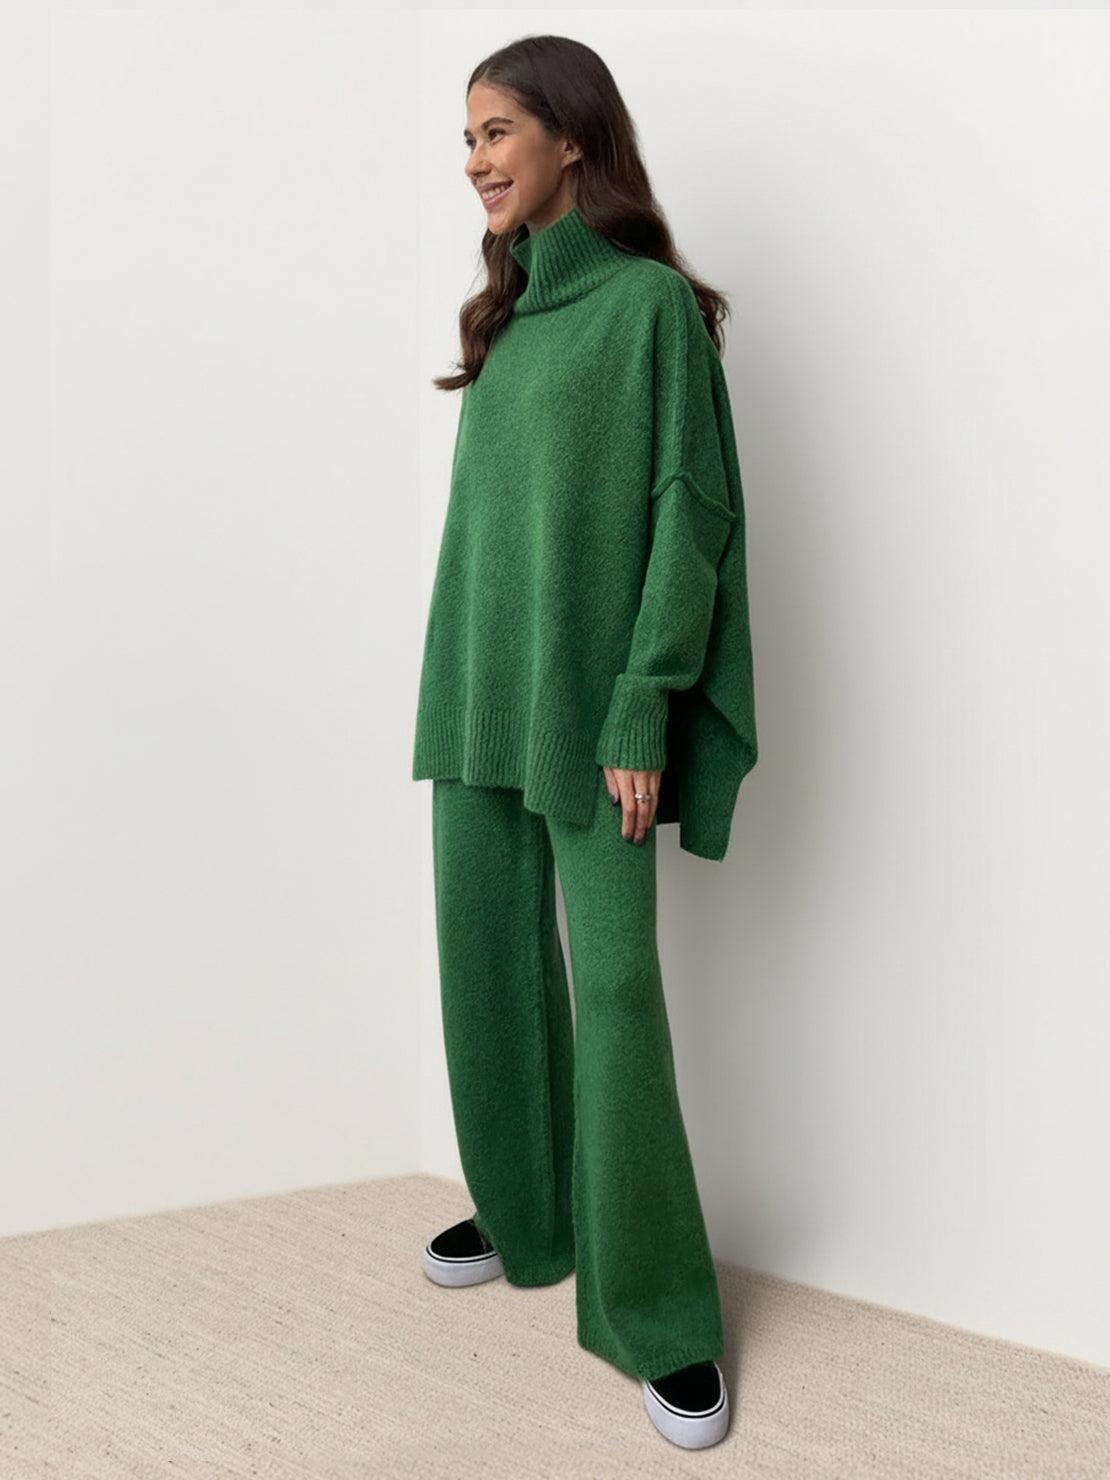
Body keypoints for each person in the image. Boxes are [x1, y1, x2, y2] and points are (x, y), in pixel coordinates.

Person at [412, 34, 757, 1451]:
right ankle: (527, 1214)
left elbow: (691, 513)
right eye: (467, 139)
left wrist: (642, 701)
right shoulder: (504, 320)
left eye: (497, 131)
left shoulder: (648, 309)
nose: (477, 161)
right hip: (476, 695)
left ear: (572, 139)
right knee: (487, 972)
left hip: (593, 711)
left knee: (612, 995)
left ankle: (659, 1313)